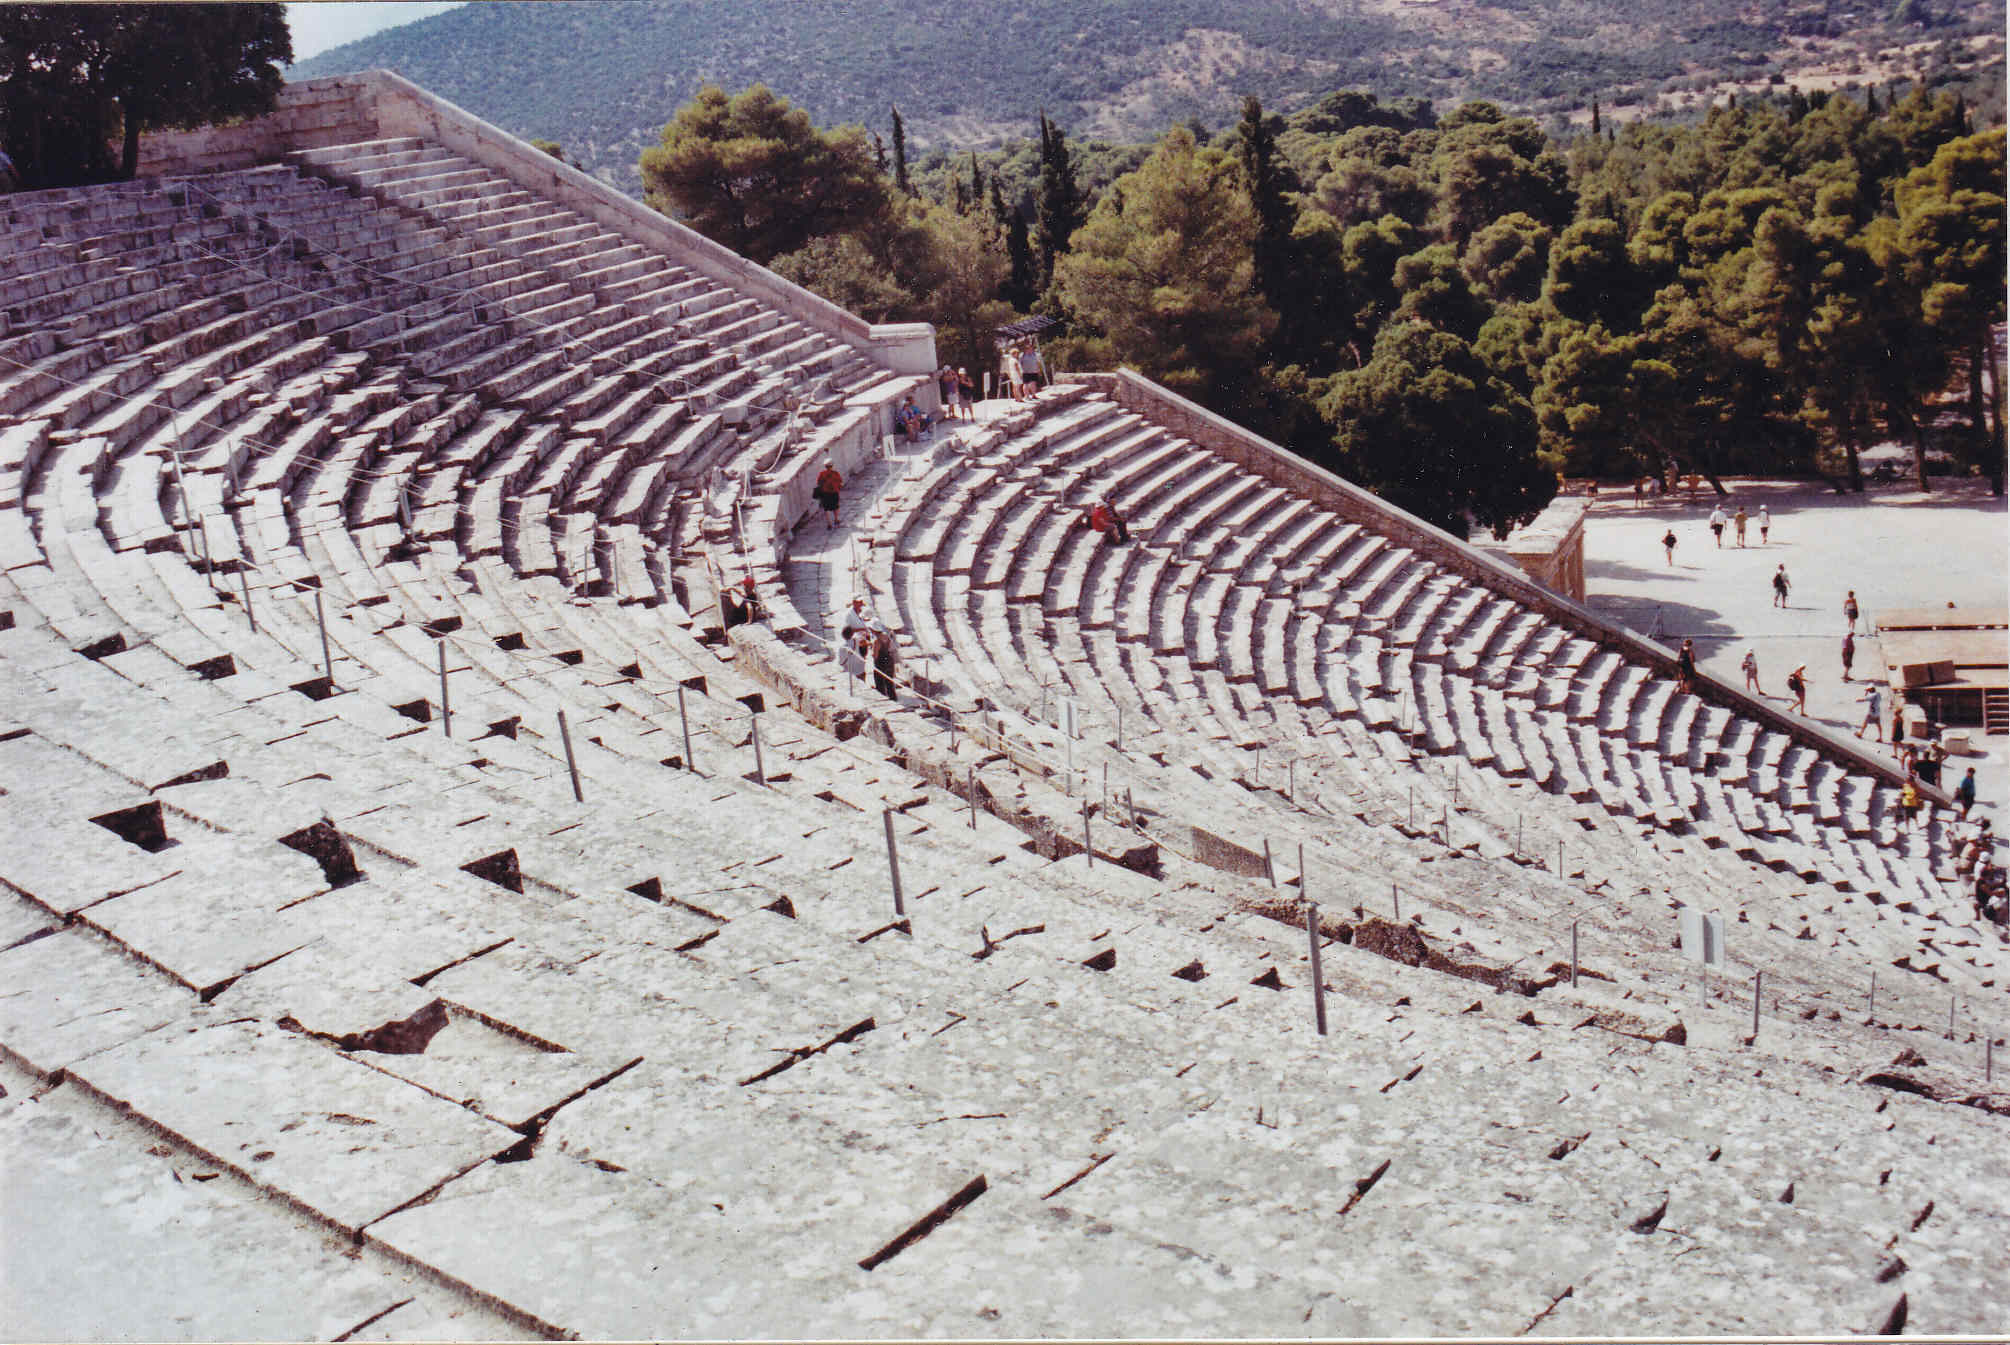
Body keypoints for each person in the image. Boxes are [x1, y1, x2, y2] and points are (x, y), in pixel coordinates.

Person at [814, 461, 843, 529]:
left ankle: (829, 523)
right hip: (834, 492)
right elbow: (840, 482)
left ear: (825, 466)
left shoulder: (822, 473)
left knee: (826, 508)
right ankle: (836, 519)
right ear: (832, 466)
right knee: (835, 506)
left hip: (825, 493)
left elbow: (818, 482)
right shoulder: (835, 473)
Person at [871, 628, 898, 699]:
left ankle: (882, 697)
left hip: (880, 662)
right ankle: (893, 698)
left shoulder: (876, 641)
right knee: (889, 682)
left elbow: (875, 655)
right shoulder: (886, 636)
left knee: (880, 683)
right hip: (888, 660)